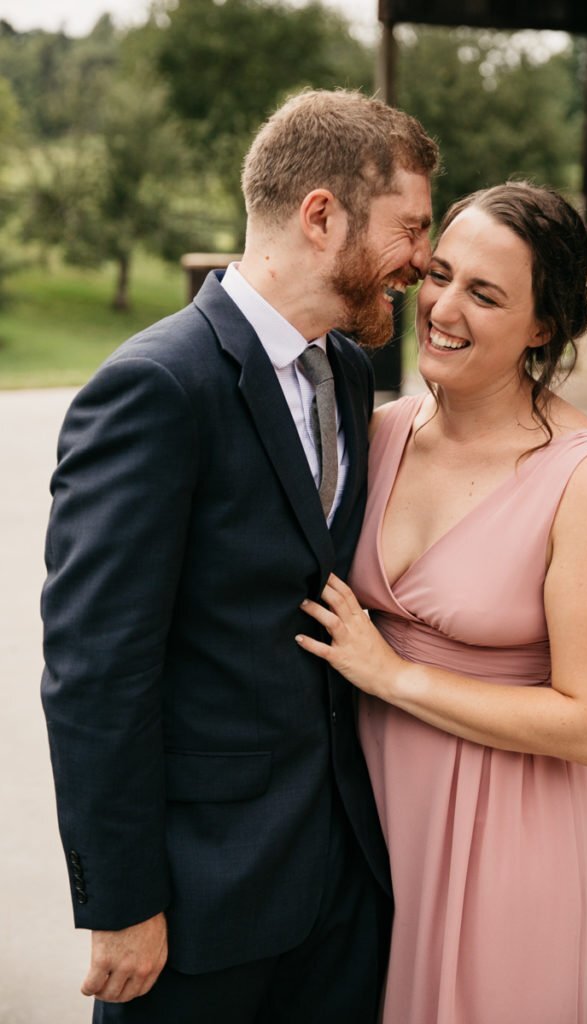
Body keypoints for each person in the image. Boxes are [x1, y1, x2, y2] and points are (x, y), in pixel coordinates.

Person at [40, 88, 437, 1023]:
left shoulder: (344, 368)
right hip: (198, 900)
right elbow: (97, 670)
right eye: (410, 229)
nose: (423, 261)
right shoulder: (154, 388)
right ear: (319, 216)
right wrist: (124, 901)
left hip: (338, 886)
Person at [297, 181, 587, 1024]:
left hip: (510, 841)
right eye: (441, 275)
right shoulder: (375, 433)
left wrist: (394, 678)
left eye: (484, 293)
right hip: (368, 830)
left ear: (543, 327)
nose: (443, 308)